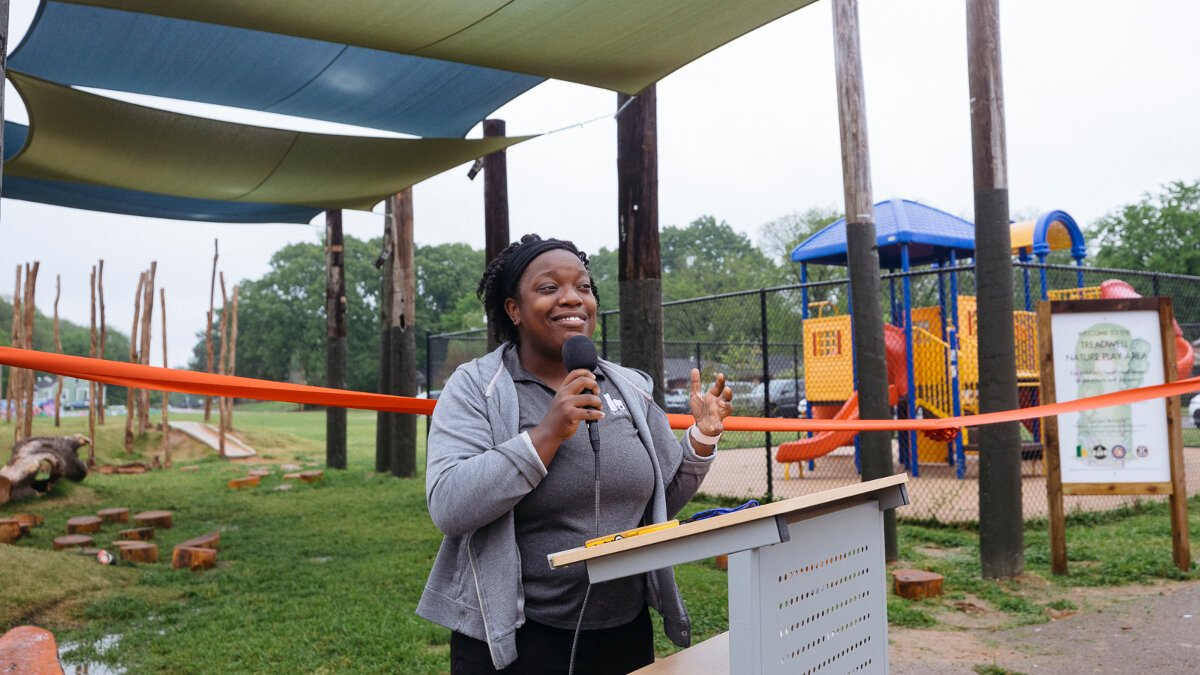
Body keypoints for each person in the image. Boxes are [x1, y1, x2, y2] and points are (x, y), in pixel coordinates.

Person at [418, 234, 734, 673]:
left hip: (623, 632)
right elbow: (450, 505)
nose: (572, 298)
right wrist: (546, 433)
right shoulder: (476, 387)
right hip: (520, 638)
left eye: (583, 287)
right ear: (514, 310)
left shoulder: (629, 386)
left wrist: (701, 439)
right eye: (549, 288)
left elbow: (657, 502)